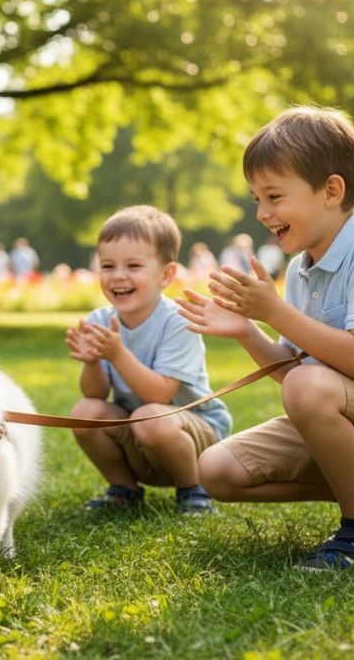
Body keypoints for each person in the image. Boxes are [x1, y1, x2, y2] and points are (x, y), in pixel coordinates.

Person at [177, 105, 354, 571]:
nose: (261, 213)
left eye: (274, 196)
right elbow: (300, 377)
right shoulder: (300, 270)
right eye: (256, 198)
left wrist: (274, 309)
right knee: (217, 471)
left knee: (307, 388)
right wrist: (247, 328)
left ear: (331, 191)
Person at [66, 205, 231, 514]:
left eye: (133, 266)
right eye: (108, 265)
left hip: (195, 436)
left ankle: (194, 489)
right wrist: (91, 361)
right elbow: (96, 395)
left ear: (166, 274)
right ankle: (124, 489)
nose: (118, 276)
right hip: (141, 428)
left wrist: (116, 353)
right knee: (85, 411)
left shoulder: (177, 321)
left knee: (151, 416)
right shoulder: (100, 319)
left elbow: (160, 394)